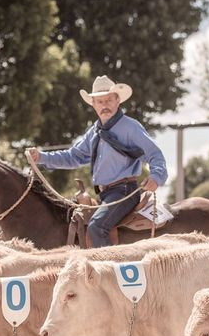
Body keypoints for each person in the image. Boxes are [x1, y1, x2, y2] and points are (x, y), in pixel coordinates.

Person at [28, 75, 168, 247]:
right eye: (99, 101)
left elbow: (155, 155)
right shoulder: (93, 132)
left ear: (117, 100)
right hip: (105, 195)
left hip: (124, 192)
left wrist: (156, 177)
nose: (104, 105)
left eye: (108, 100)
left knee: (96, 227)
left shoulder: (131, 127)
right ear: (93, 105)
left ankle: (109, 272)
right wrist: (41, 157)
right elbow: (73, 156)